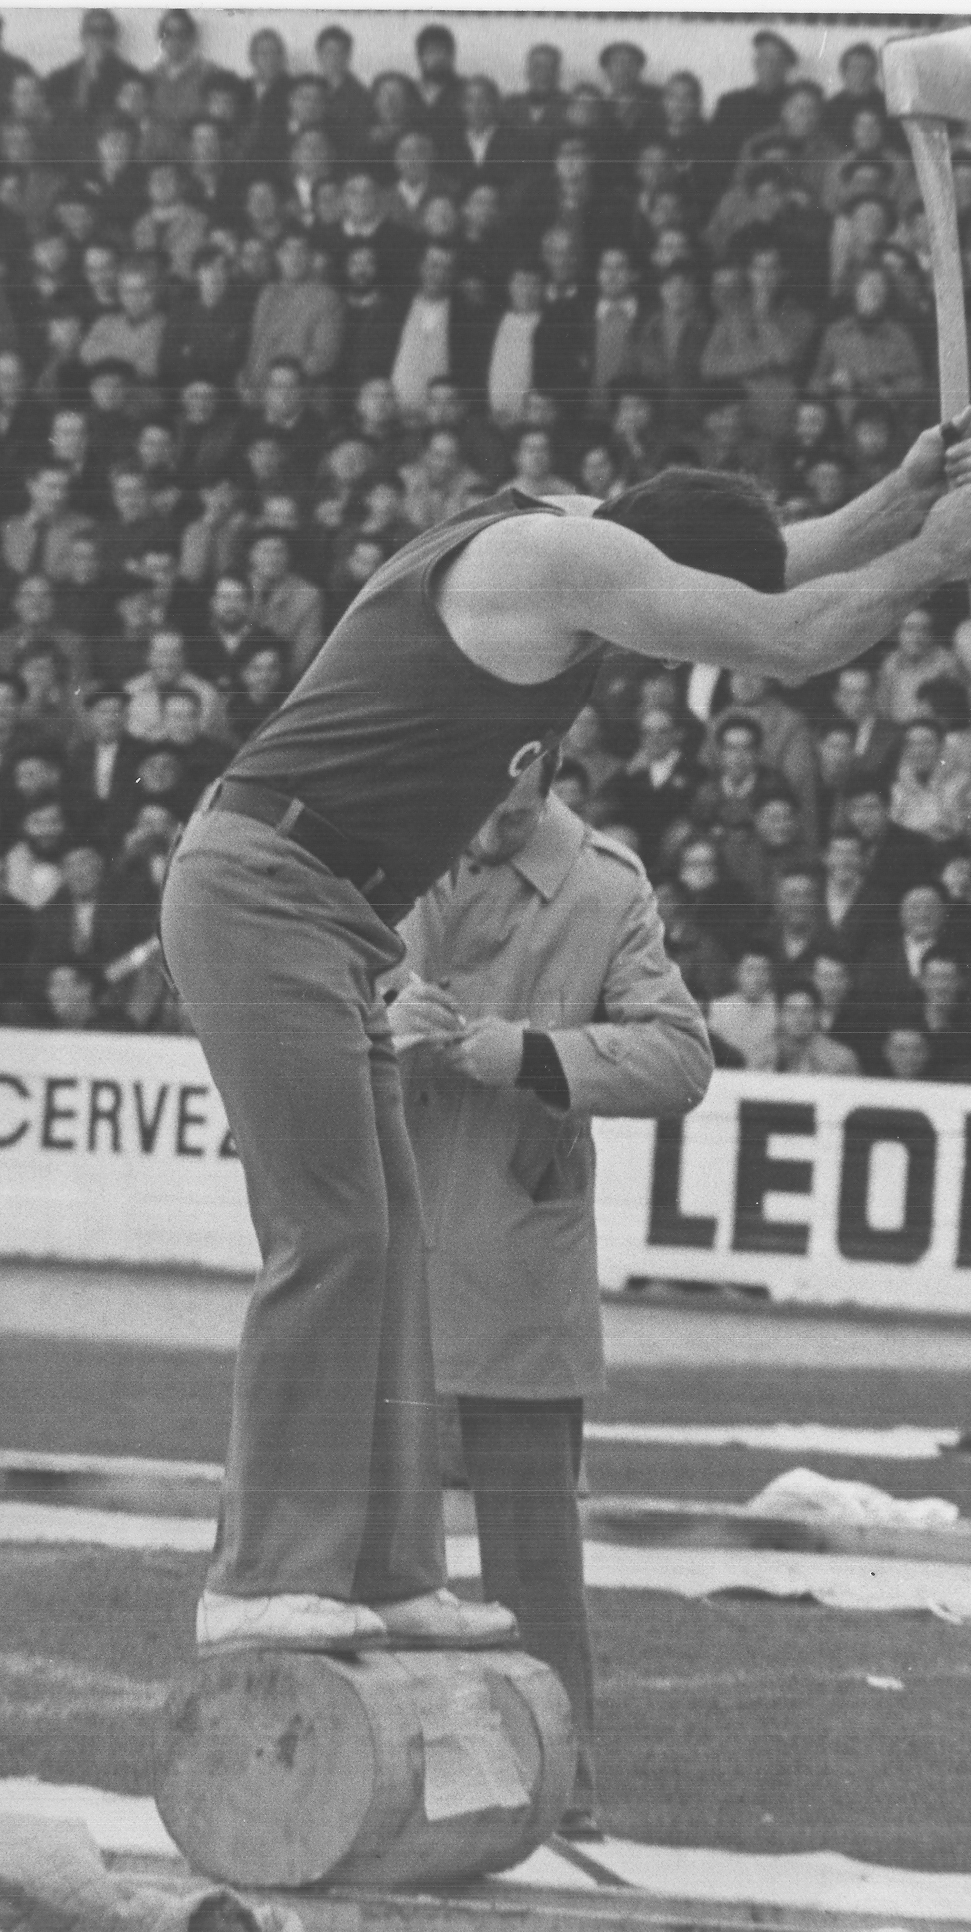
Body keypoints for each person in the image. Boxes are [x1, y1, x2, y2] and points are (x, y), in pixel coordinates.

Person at [158, 415, 971, 1655]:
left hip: (325, 903)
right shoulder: (561, 560)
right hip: (262, 888)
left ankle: (383, 1569)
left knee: (389, 1240)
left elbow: (771, 564)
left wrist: (900, 496)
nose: (666, 643)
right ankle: (257, 1578)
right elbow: (784, 631)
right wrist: (930, 559)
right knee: (331, 1233)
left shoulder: (589, 536)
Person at [387, 752, 710, 1836]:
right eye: (478, 808)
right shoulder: (386, 843)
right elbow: (281, 999)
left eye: (513, 814)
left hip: (514, 1262)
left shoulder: (606, 887)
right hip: (382, 1253)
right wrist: (380, 1016)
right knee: (360, 1549)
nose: (488, 830)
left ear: (547, 773)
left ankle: (562, 1785)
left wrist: (530, 1054)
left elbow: (680, 1058)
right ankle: (371, 1772)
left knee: (532, 1565)